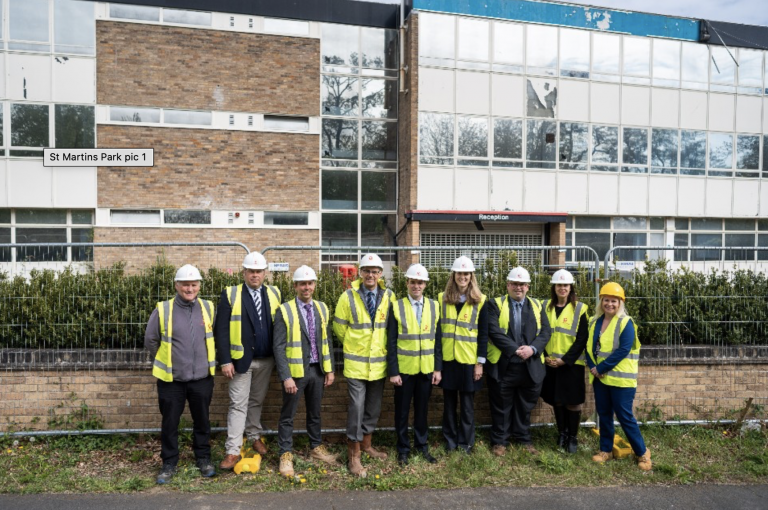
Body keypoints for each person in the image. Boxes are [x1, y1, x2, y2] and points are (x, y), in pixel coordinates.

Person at [144, 264, 216, 484]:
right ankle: (169, 462)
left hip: (202, 378)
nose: (189, 288)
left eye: (194, 284)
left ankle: (203, 459)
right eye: (185, 284)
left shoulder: (209, 307)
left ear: (199, 286)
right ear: (176, 285)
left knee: (202, 421)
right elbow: (151, 340)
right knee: (170, 423)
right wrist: (168, 361)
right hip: (171, 379)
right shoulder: (163, 309)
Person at [215, 252, 282, 470]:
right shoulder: (230, 294)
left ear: (265, 273)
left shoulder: (274, 293)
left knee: (256, 401)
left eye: (259, 271)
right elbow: (221, 330)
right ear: (244, 272)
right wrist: (225, 360)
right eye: (251, 271)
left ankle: (254, 436)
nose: (255, 275)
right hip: (240, 362)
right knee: (237, 404)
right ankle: (233, 450)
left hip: (266, 360)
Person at [333, 253, 395, 477]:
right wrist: (353, 345)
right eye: (366, 270)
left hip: (378, 364)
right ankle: (354, 455)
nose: (371, 274)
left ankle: (367, 445)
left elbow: (391, 329)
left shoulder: (389, 296)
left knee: (373, 407)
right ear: (360, 273)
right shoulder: (347, 296)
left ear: (380, 274)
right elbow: (339, 328)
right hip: (356, 364)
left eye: (375, 271)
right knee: (356, 409)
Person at [273, 265, 338, 476]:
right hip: (295, 373)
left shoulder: (322, 308)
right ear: (295, 286)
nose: (306, 287)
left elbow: (326, 340)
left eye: (310, 283)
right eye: (302, 283)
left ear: (314, 285)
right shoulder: (285, 310)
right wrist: (286, 376)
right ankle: (285, 454)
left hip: (317, 370)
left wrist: (330, 370)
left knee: (315, 412)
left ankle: (316, 446)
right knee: (288, 415)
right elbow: (279, 346)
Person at [487, 266, 551, 456]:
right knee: (501, 405)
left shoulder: (538, 306)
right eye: (514, 283)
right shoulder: (494, 304)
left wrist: (532, 349)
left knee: (525, 405)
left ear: (528, 286)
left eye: (522, 284)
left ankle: (523, 439)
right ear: (508, 285)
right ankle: (500, 441)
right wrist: (516, 350)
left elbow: (546, 332)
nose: (518, 287)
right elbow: (494, 331)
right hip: (504, 365)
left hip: (530, 366)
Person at [587, 282, 652, 471]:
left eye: (614, 301)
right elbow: (589, 348)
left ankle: (642, 453)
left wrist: (601, 368)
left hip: (621, 380)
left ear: (620, 303)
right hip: (600, 379)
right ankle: (605, 450)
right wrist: (593, 366)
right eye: (606, 300)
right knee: (604, 415)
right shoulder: (594, 321)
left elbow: (623, 349)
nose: (609, 304)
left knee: (625, 417)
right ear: (601, 302)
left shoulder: (626, 322)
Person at [386, 263, 442, 465]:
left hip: (426, 370)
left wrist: (437, 368)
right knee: (401, 412)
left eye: (420, 282)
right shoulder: (397, 306)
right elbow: (391, 341)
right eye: (412, 282)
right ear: (407, 283)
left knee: (422, 411)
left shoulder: (435, 306)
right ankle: (403, 449)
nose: (416, 286)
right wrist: (393, 371)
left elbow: (437, 340)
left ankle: (422, 446)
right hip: (404, 371)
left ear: (425, 284)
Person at [438, 256, 488, 454]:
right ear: (454, 275)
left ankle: (466, 443)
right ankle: (450, 441)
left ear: (471, 276)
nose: (463, 277)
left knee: (467, 406)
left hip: (469, 362)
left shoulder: (481, 301)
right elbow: (438, 332)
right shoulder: (442, 299)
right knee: (449, 405)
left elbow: (483, 334)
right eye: (459, 273)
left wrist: (479, 363)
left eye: (466, 274)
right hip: (449, 361)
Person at [540, 269, 589, 454]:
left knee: (573, 402)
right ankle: (562, 433)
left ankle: (573, 438)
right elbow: (541, 334)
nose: (562, 288)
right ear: (554, 287)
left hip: (571, 365)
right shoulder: (545, 306)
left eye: (566, 285)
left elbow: (582, 339)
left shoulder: (580, 308)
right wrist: (545, 356)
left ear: (571, 288)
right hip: (550, 363)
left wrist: (565, 360)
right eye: (559, 285)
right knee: (557, 400)